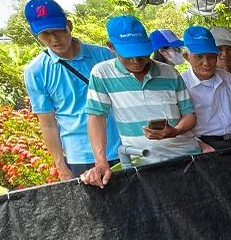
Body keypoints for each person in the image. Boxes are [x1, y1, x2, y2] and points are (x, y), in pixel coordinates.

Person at [82, 16, 199, 188]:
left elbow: (189, 114)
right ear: (111, 47)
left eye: (142, 54)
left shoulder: (170, 73)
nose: (136, 61)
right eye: (128, 55)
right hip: (143, 165)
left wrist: (174, 131)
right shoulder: (102, 73)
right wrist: (101, 161)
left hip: (187, 157)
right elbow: (97, 117)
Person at [22, 0, 121, 179]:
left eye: (58, 31)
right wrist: (61, 167)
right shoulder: (36, 71)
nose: (54, 40)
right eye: (45, 34)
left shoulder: (104, 55)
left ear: (69, 25)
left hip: (120, 147)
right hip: (80, 156)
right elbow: (48, 123)